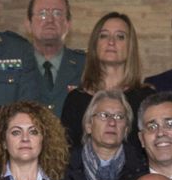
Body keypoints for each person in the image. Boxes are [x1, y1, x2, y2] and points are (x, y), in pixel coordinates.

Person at [59, 12, 149, 150]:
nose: (111, 42)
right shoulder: (75, 99)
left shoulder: (146, 98)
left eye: (120, 36)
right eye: (104, 36)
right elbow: (66, 152)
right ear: (95, 45)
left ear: (130, 46)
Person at [65, 89, 139, 180]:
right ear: (89, 125)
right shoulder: (65, 169)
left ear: (126, 129)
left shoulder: (139, 171)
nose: (112, 122)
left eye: (119, 117)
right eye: (104, 115)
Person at [27, 0, 85, 116]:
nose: (49, 20)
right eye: (42, 13)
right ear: (29, 24)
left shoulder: (86, 66)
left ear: (68, 24)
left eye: (57, 13)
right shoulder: (18, 65)